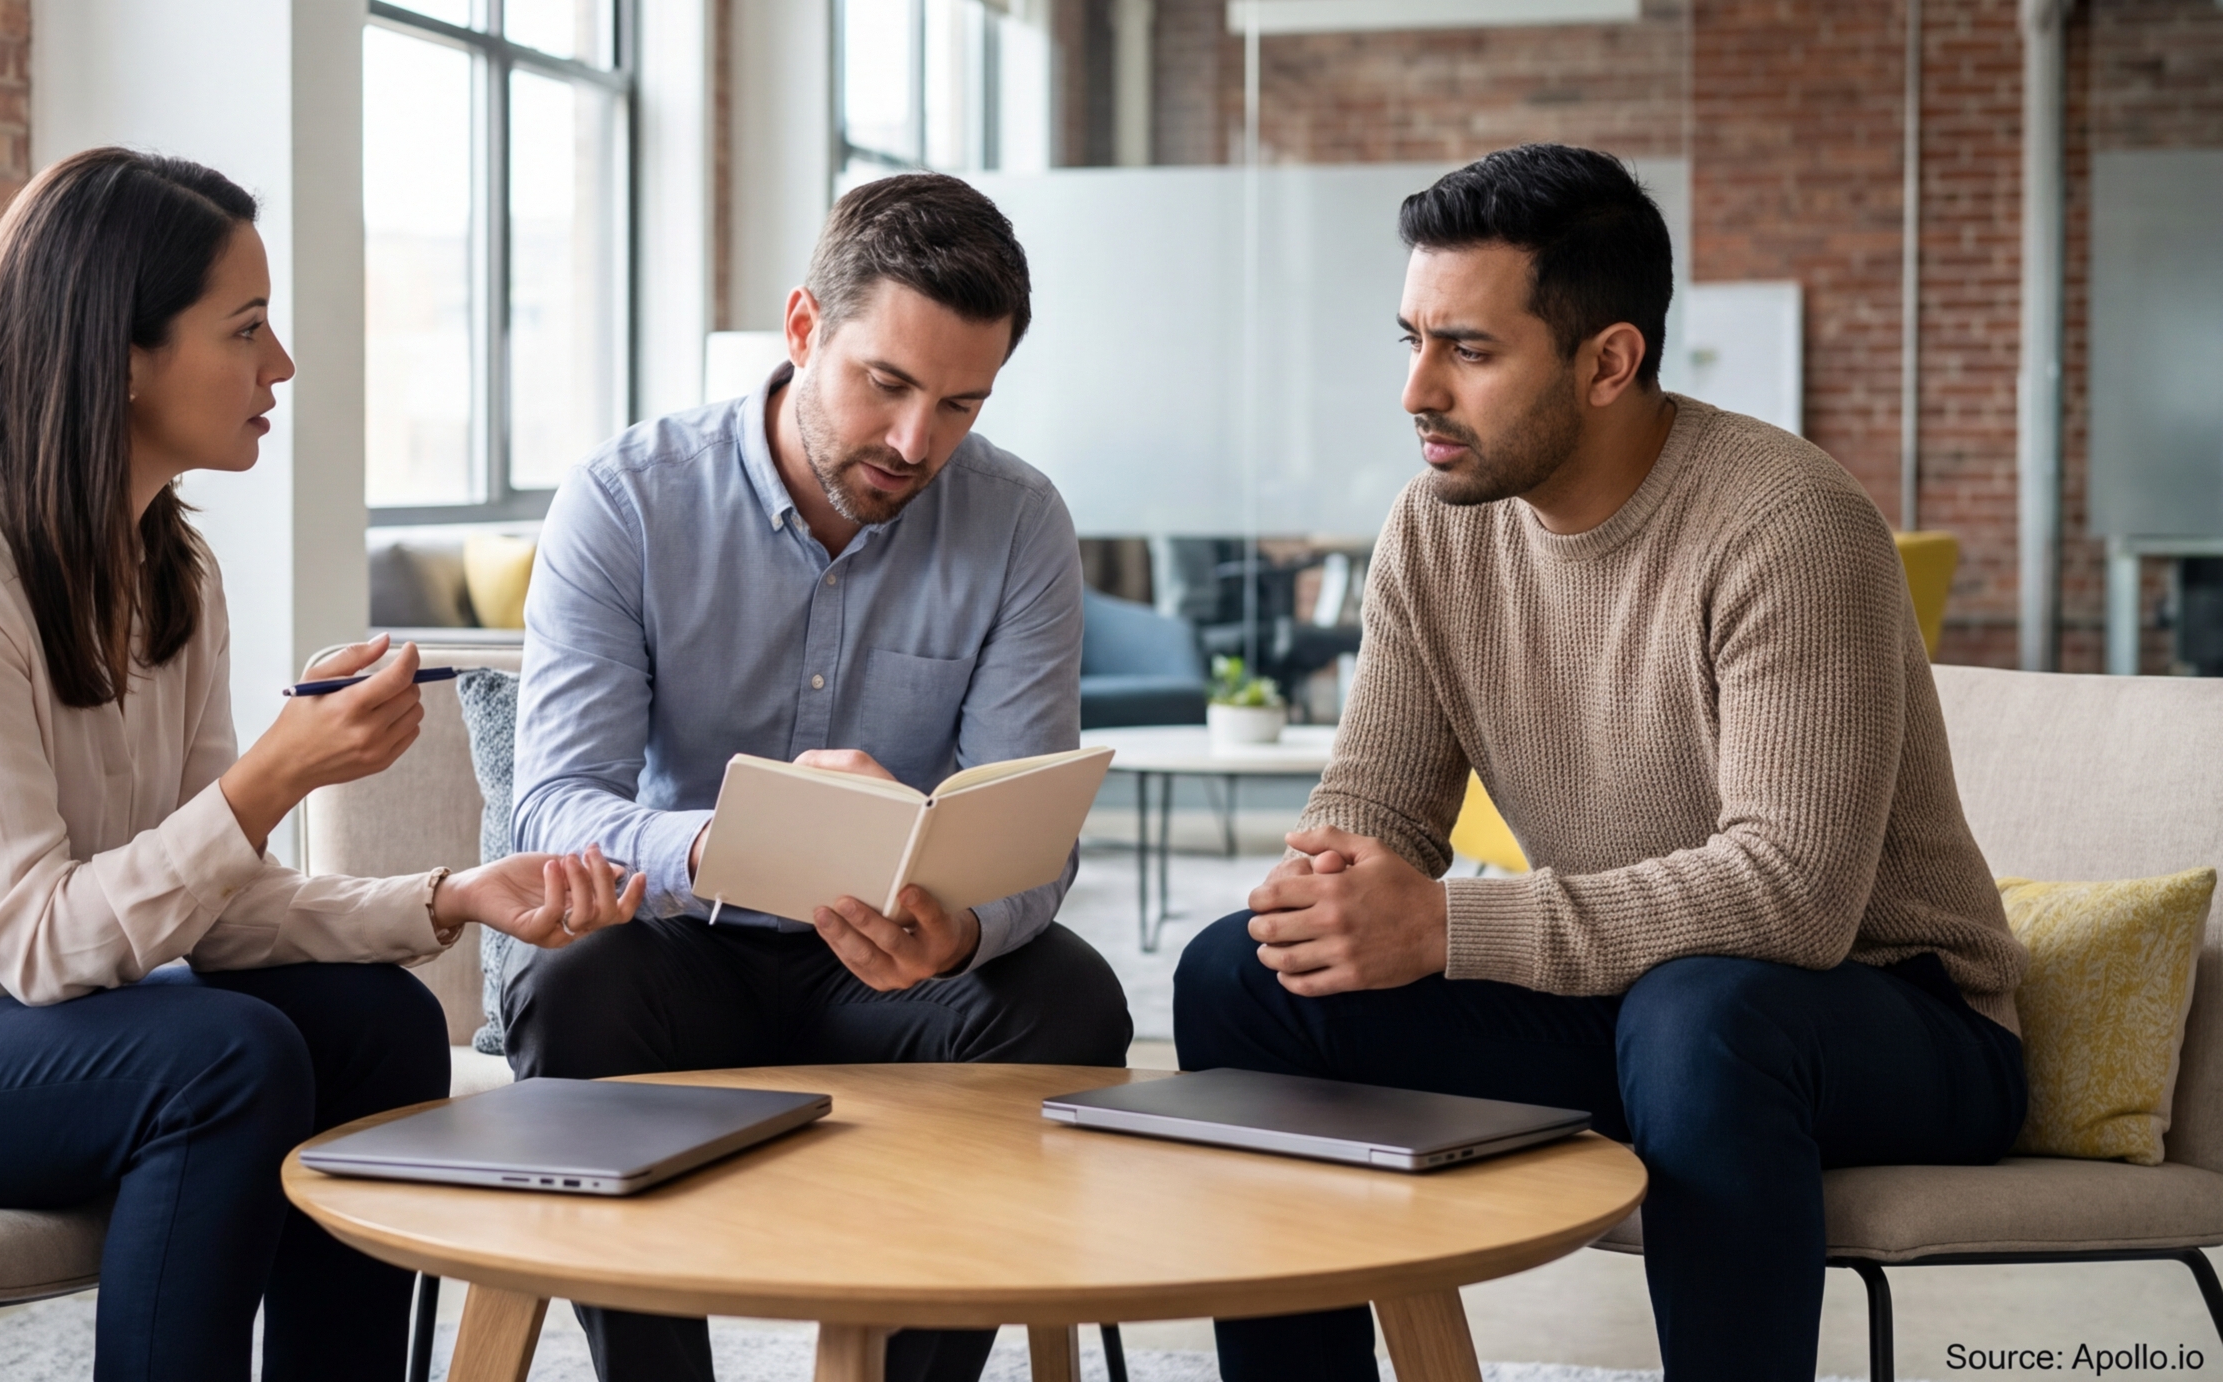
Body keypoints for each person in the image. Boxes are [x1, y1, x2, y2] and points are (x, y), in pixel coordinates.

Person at [0, 147, 643, 1382]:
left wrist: (446, 896)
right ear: (122, 355)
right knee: (222, 1058)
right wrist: (275, 780)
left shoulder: (169, 573)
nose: (279, 366)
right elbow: (45, 944)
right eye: (245, 329)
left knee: (377, 1027)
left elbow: (210, 911)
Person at [1172, 143, 2028, 1382]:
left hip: (1892, 1021)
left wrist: (1452, 935)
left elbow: (1791, 896)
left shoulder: (1786, 525)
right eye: (1409, 338)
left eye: (1465, 350)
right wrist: (1329, 891)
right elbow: (1375, 800)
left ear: (1608, 361)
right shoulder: (1434, 526)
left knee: (1706, 1010)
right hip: (1627, 1008)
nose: (1416, 388)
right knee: (1243, 977)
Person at [505, 171, 1133, 1382]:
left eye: (959, 404)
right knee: (570, 992)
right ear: (803, 329)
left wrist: (955, 934)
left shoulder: (1016, 523)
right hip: (680, 939)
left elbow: (1029, 837)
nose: (915, 443)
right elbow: (551, 804)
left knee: (1068, 1003)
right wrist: (734, 841)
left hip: (892, 970)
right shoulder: (626, 501)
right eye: (886, 385)